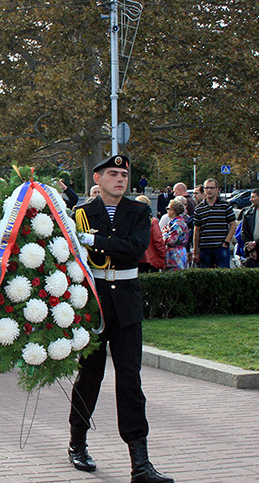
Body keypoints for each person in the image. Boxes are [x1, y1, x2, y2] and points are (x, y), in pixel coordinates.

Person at [70, 155, 173, 483]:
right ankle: (77, 442)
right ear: (97, 179)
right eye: (113, 174)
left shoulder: (139, 211)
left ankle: (140, 463)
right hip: (95, 302)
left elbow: (135, 249)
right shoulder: (81, 214)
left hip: (127, 300)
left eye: (124, 175)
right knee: (90, 376)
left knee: (130, 380)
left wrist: (94, 241)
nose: (120, 179)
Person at [192, 178, 236, 269]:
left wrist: (226, 242)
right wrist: (196, 251)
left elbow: (233, 225)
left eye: (212, 188)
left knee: (223, 274)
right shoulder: (199, 208)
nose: (209, 190)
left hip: (221, 247)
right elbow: (197, 230)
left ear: (217, 189)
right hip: (205, 248)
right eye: (207, 188)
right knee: (207, 275)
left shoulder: (225, 205)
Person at [135, 195, 166, 273]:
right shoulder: (152, 221)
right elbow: (158, 241)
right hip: (150, 259)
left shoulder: (131, 221)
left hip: (136, 258)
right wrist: (163, 255)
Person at [162, 199, 189, 271]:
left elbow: (171, 241)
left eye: (168, 208)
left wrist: (164, 233)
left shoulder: (177, 224)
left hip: (176, 255)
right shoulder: (179, 222)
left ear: (172, 210)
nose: (167, 210)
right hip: (179, 253)